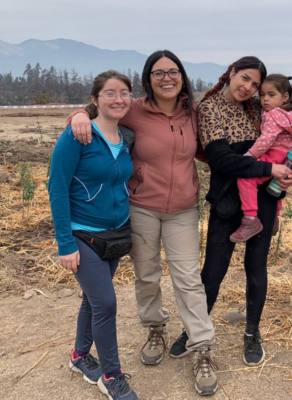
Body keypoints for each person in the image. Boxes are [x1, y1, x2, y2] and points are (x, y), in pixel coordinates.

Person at [68, 50, 218, 396]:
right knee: (147, 273)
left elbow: (217, 140)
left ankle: (202, 346)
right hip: (141, 207)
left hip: (183, 209)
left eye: (173, 71)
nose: (167, 78)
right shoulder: (134, 109)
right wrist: (78, 113)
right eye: (158, 73)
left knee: (187, 278)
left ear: (182, 76)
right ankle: (155, 328)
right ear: (148, 79)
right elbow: (99, 110)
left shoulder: (193, 114)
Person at [198, 56, 292, 367]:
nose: (249, 88)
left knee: (256, 267)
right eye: (244, 78)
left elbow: (288, 148)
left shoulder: (261, 109)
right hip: (227, 199)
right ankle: (197, 328)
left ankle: (252, 332)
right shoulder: (210, 108)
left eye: (256, 85)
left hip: (265, 202)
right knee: (213, 270)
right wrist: (270, 168)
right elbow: (221, 160)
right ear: (231, 73)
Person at [49, 70, 138, 399]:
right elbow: (57, 189)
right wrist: (65, 244)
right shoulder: (77, 136)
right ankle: (111, 376)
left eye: (124, 93)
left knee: (93, 299)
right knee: (106, 303)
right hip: (82, 235)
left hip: (114, 235)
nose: (118, 99)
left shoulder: (126, 137)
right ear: (95, 99)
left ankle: (79, 355)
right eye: (110, 93)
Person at [230, 74, 292, 243]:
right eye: (262, 95)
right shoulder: (290, 114)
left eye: (271, 95)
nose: (265, 100)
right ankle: (275, 217)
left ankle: (250, 219)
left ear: (285, 97)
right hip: (288, 157)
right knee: (276, 185)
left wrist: (250, 156)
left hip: (275, 154)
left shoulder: (273, 115)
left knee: (246, 178)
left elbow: (266, 140)